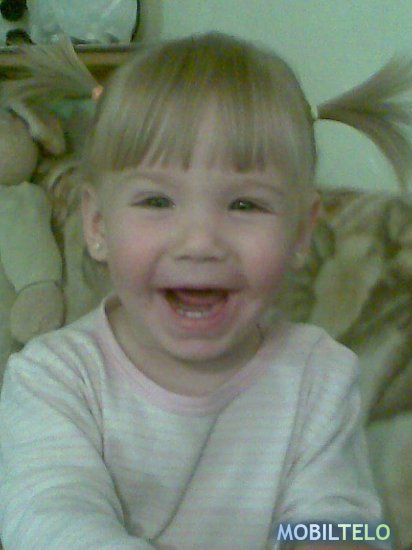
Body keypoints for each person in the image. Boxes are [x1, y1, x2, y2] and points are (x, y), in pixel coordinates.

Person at [1, 32, 411, 550]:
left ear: (301, 233)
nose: (200, 242)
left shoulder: (320, 376)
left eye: (244, 205)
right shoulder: (53, 378)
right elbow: (47, 517)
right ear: (98, 224)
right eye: (156, 201)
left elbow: (346, 523)